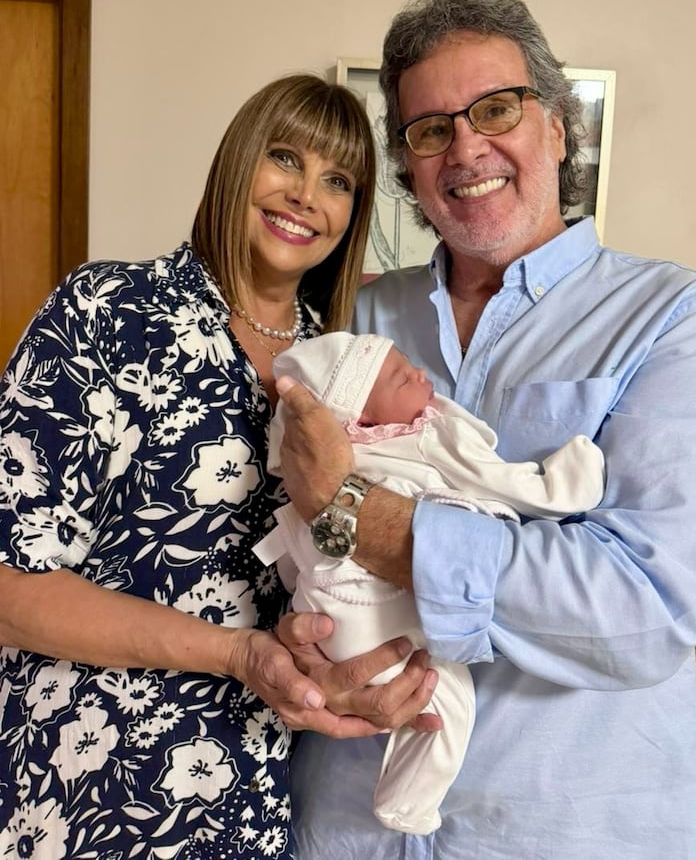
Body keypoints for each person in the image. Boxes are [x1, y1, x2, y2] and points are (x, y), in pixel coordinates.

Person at [275, 0, 696, 859]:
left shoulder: (673, 318)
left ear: (559, 127)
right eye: (430, 129)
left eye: (496, 108)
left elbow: (640, 607)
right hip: (345, 827)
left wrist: (358, 515)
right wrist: (302, 658)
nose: (466, 147)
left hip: (573, 835)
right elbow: (271, 548)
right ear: (409, 167)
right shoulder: (353, 319)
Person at [0, 74, 438, 860]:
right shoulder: (110, 311)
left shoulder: (343, 372)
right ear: (239, 162)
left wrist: (333, 671)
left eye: (338, 181)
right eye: (286, 158)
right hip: (81, 782)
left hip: (250, 796)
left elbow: (332, 570)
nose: (306, 195)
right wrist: (236, 653)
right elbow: (8, 586)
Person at [259, 330, 605, 835]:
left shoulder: (325, 459)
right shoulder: (425, 437)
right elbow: (499, 481)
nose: (421, 375)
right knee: (444, 700)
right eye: (402, 378)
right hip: (376, 611)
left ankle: (406, 799)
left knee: (437, 699)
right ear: (363, 416)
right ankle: (406, 803)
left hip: (333, 611)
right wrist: (568, 481)